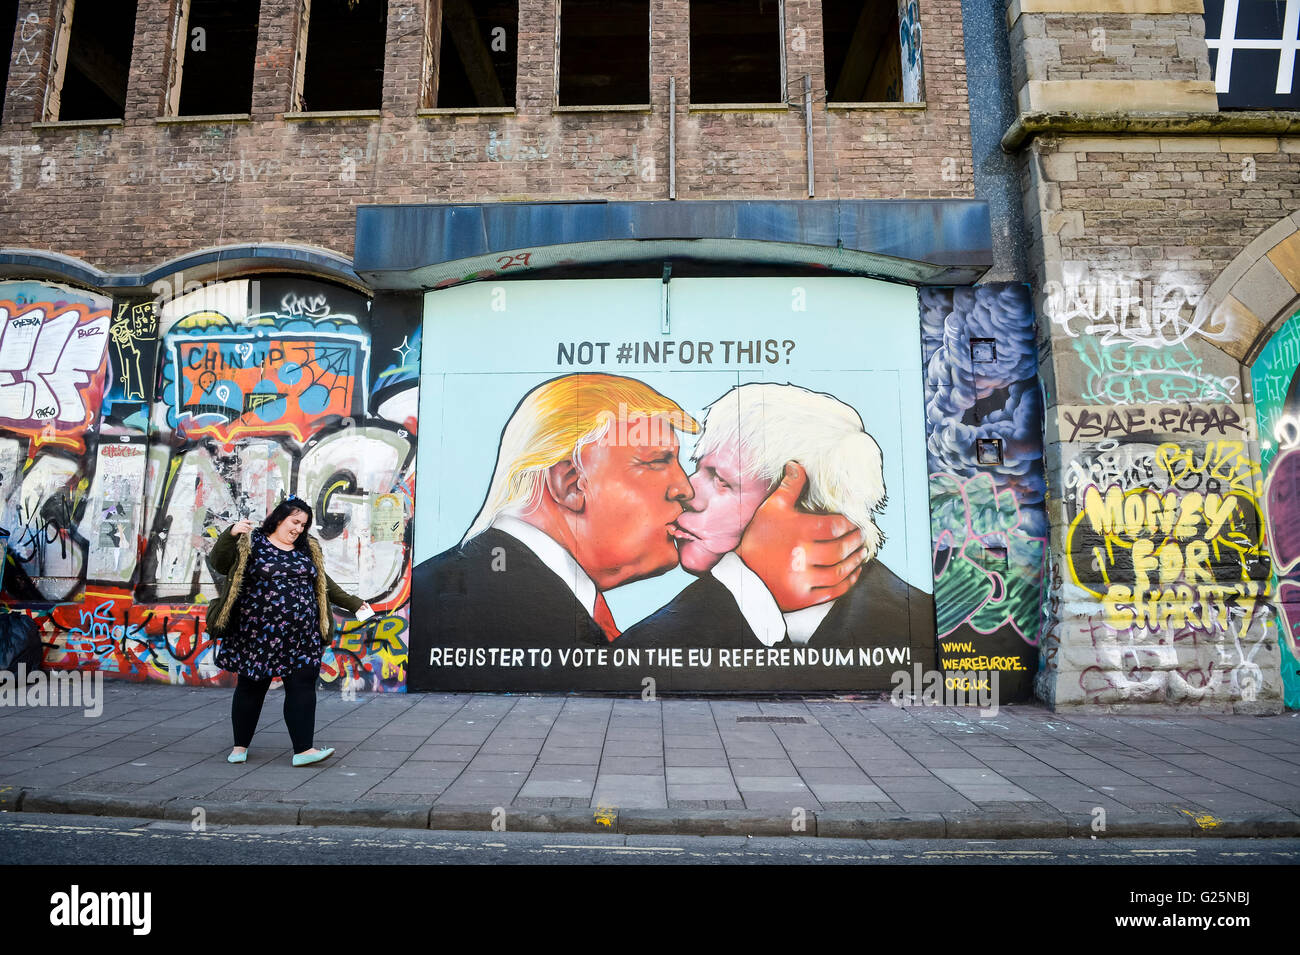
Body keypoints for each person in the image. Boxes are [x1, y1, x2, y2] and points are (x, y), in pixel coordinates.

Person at [623, 382, 934, 659]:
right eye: (699, 469)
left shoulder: (918, 622)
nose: (687, 491)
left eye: (720, 480)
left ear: (803, 506)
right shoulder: (650, 642)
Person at [210, 496, 371, 766]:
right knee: (251, 687)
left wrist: (356, 604)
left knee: (302, 687)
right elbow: (220, 562)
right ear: (279, 518)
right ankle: (240, 747)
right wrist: (231, 534)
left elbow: (324, 584)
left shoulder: (307, 547)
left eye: (303, 525)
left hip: (301, 636)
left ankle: (303, 750)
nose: (298, 529)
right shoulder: (252, 542)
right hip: (257, 634)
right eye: (294, 522)